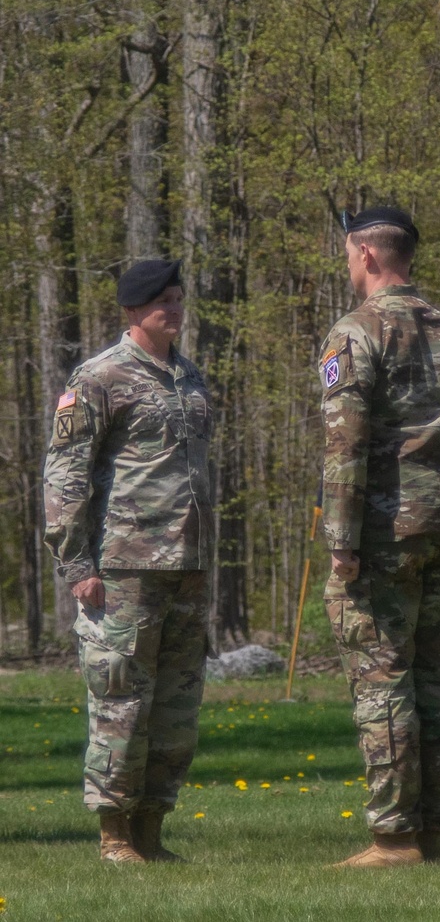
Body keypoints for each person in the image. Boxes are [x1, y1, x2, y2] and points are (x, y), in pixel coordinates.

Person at [320, 206, 440, 869]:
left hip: (385, 529)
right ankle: (434, 832)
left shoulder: (357, 331)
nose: (347, 266)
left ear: (368, 255)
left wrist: (341, 539)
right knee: (434, 679)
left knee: (382, 679)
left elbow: (347, 442)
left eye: (347, 255)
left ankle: (394, 836)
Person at [44, 259, 213, 864]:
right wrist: (76, 565)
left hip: (187, 570)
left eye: (177, 298)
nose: (173, 308)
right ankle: (114, 833)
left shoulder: (189, 376)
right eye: (161, 300)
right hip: (123, 569)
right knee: (120, 702)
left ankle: (151, 829)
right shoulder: (99, 377)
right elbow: (65, 475)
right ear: (132, 311)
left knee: (175, 708)